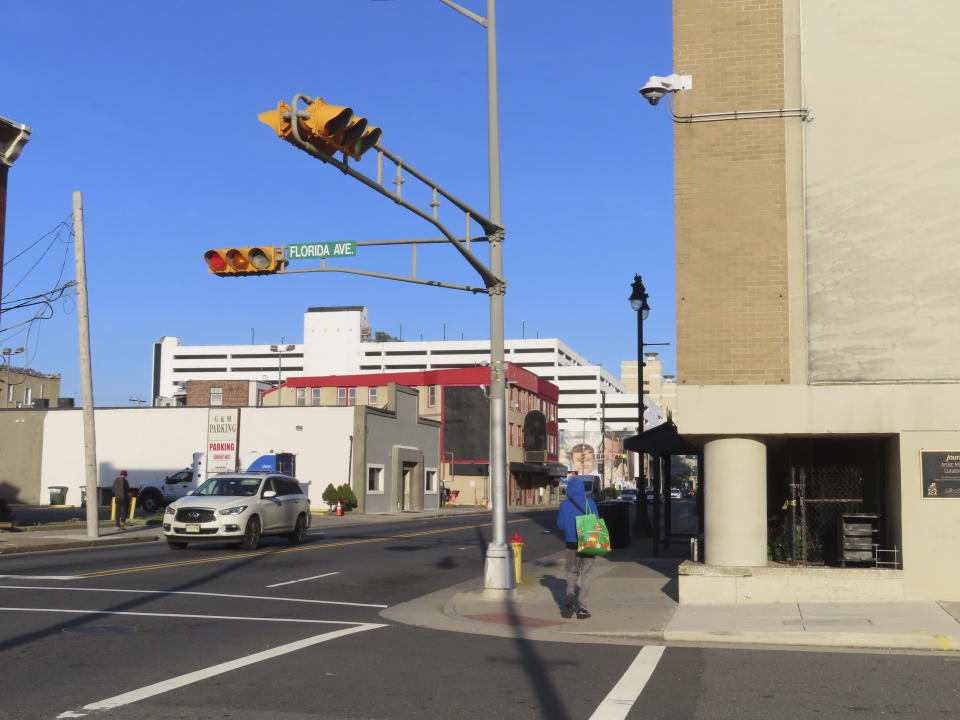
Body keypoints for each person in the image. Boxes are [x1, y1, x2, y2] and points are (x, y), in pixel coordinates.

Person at [556, 475, 597, 619]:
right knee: (586, 575)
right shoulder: (590, 503)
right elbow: (596, 522)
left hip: (571, 544)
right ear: (582, 489)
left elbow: (560, 525)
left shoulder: (564, 505)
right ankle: (582, 609)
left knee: (571, 573)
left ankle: (569, 595)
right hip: (588, 542)